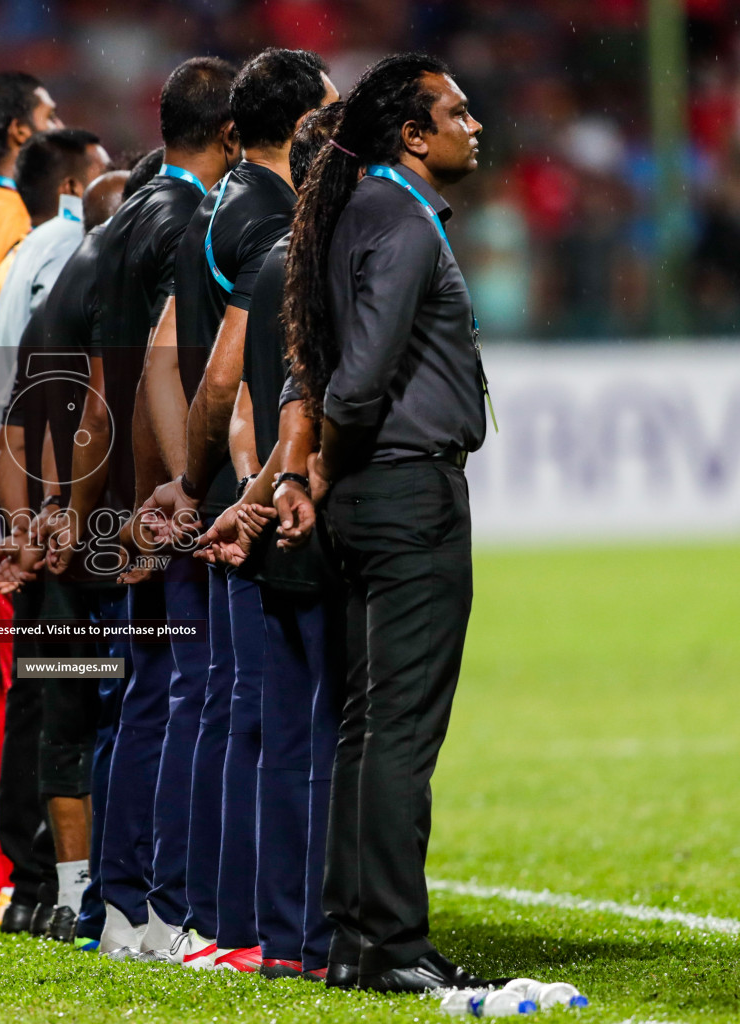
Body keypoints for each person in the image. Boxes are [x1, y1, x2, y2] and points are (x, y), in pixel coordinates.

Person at [282, 53, 490, 992]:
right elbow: (359, 379)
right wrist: (327, 453)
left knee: (368, 726)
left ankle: (359, 936)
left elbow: (324, 361)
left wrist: (326, 466)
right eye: (457, 111)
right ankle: (394, 944)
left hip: (369, 496)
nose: (475, 123)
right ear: (413, 135)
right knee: (401, 728)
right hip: (406, 491)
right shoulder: (403, 223)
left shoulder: (351, 213)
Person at [142, 48, 336, 975]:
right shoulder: (271, 218)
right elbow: (233, 377)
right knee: (261, 713)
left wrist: (188, 476)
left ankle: (214, 917)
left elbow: (163, 355)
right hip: (253, 499)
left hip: (221, 490)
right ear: (298, 127)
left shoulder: (213, 207)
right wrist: (252, 488)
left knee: (221, 707)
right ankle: (254, 928)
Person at [49, 56, 239, 960]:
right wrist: (175, 501)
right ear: (234, 135)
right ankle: (157, 904)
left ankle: (122, 903)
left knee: (140, 705)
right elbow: (167, 374)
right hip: (166, 506)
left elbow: (96, 391)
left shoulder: (118, 223)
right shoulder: (190, 222)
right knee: (174, 704)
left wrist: (94, 510)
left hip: (124, 499)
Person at [0, 127, 110, 935]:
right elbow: (42, 404)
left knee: (39, 692)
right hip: (67, 516)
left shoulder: (26, 258)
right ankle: (56, 882)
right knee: (72, 697)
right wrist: (39, 521)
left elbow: (1, 396)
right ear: (80, 188)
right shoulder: (68, 259)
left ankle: (33, 884)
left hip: (30, 498)